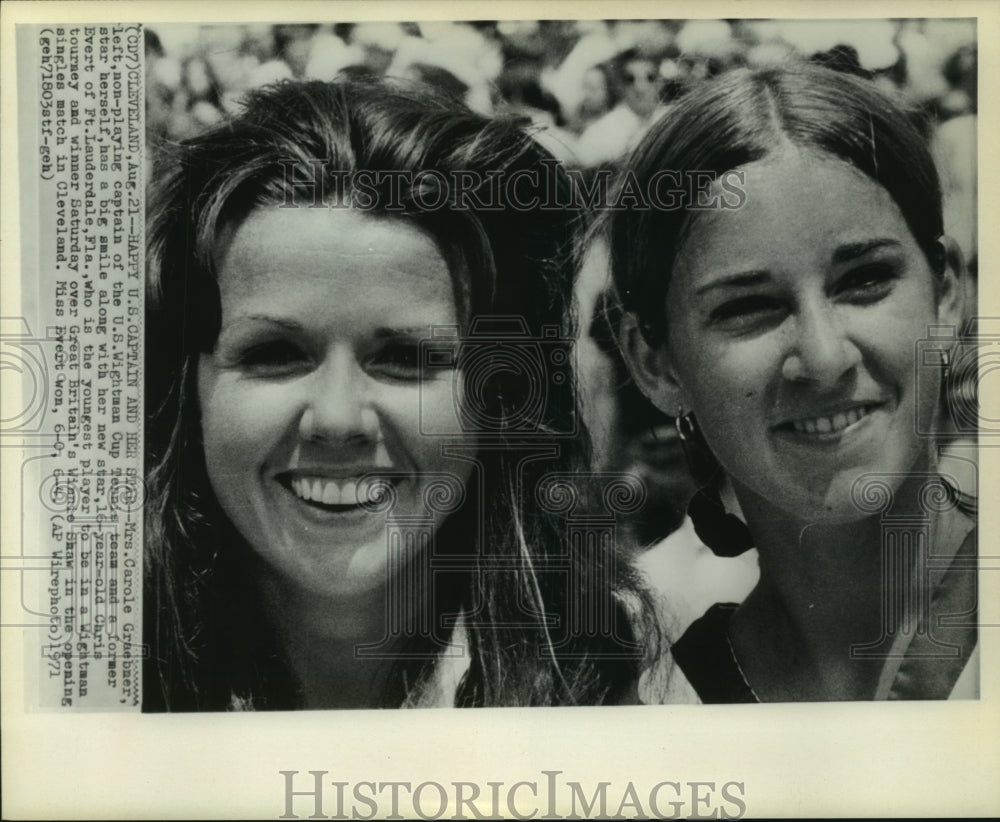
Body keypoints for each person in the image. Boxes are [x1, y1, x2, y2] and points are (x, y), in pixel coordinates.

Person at [144, 77, 648, 711]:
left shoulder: (628, 684)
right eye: (274, 354)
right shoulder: (82, 699)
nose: (335, 419)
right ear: (187, 390)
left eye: (407, 359)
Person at [609, 63, 977, 702]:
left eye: (864, 280)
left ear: (946, 295)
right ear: (654, 362)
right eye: (746, 306)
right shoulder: (646, 712)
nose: (824, 356)